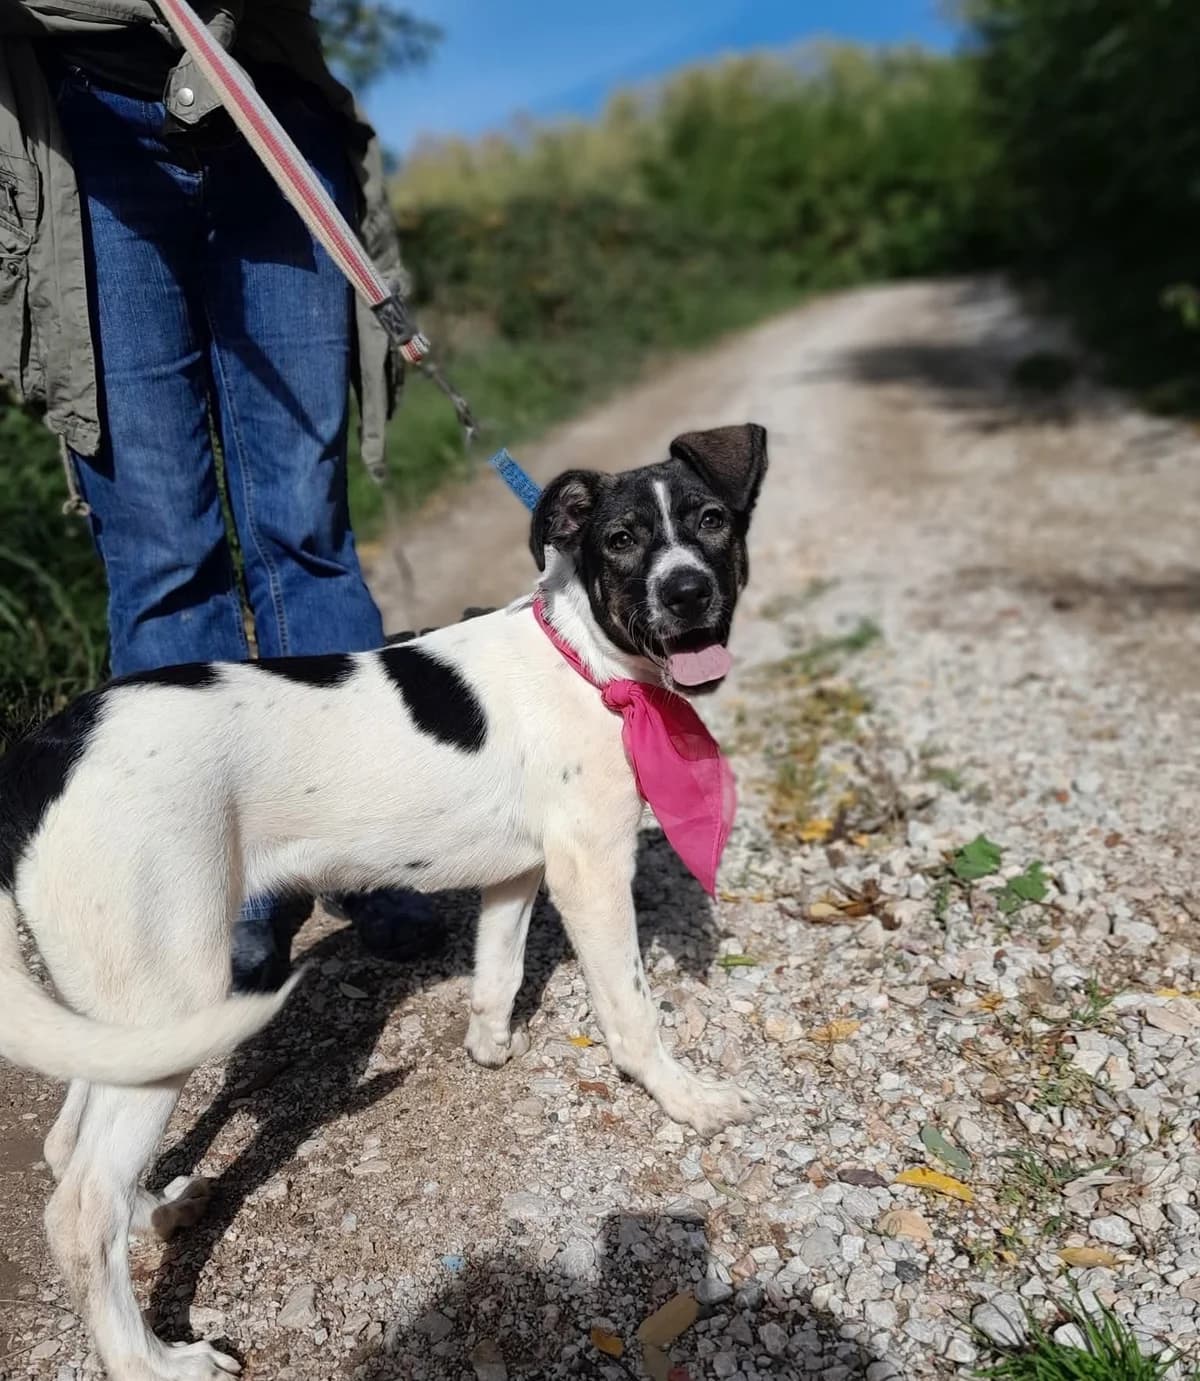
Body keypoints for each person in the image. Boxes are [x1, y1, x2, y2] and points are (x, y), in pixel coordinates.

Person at [0, 1, 442, 988]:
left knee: (307, 530)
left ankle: (362, 835)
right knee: (163, 552)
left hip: (271, 111)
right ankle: (217, 878)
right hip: (82, 127)